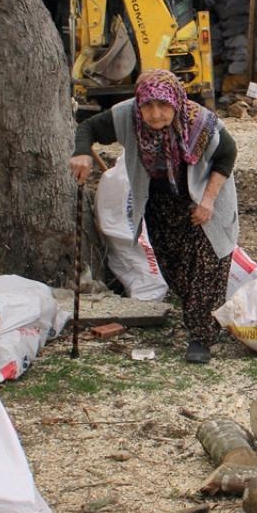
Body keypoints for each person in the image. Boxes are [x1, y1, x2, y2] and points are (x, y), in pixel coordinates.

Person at [69, 70, 239, 364]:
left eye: (163, 106)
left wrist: (208, 200)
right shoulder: (127, 116)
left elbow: (228, 153)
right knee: (174, 267)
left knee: (206, 266)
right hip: (159, 203)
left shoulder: (200, 121)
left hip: (202, 198)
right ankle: (198, 316)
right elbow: (88, 129)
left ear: (176, 103)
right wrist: (82, 152)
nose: (156, 114)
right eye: (148, 106)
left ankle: (201, 337)